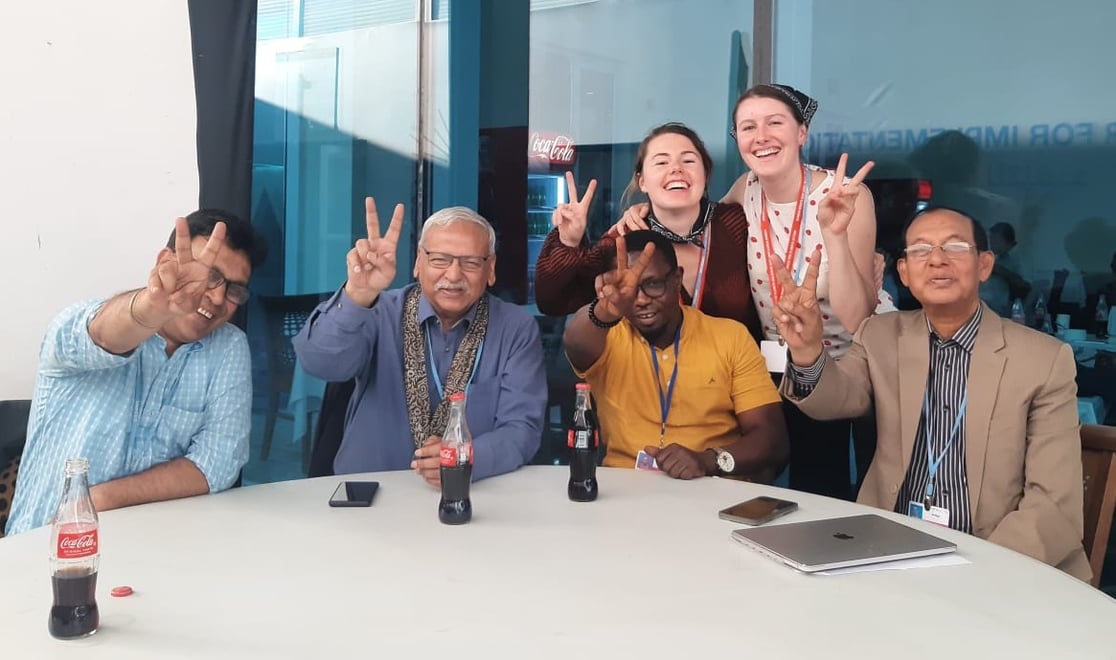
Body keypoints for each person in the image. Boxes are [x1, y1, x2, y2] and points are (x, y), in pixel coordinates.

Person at [773, 206, 1089, 581]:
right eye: (921, 250)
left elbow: (1053, 505)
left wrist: (972, 572)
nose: (937, 260)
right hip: (888, 551)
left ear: (985, 265)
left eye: (954, 247)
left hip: (1000, 563)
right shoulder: (880, 335)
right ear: (904, 273)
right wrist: (808, 349)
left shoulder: (1043, 359)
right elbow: (835, 400)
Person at [6, 210, 267, 535]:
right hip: (43, 548)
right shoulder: (79, 326)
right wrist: (152, 308)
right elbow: (102, 335)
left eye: (234, 290)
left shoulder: (227, 347)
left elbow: (218, 463)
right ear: (165, 263)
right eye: (210, 276)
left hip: (150, 555)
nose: (216, 297)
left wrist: (100, 499)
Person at [293, 200, 546, 486]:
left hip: (469, 490)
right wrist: (358, 293)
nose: (453, 275)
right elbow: (320, 362)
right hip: (371, 492)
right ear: (417, 262)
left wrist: (466, 457)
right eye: (439, 259)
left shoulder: (515, 329)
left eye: (471, 262)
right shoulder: (377, 311)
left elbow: (522, 429)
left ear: (491, 269)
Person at [562, 230, 788, 480]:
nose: (641, 300)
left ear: (677, 279)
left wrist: (708, 460)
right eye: (628, 289)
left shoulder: (730, 337)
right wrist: (605, 311)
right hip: (626, 494)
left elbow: (771, 438)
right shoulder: (605, 337)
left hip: (712, 492)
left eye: (653, 284)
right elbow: (576, 344)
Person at [534, 122, 762, 342]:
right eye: (661, 162)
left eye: (689, 160)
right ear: (642, 181)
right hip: (650, 379)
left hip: (737, 375)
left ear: (706, 175)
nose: (676, 169)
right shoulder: (625, 239)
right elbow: (552, 302)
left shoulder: (735, 223)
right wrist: (569, 241)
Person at [979, 221, 1030, 316]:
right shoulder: (986, 257)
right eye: (991, 238)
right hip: (980, 309)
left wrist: (1000, 270)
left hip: (1002, 312)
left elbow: (1024, 285)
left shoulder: (1016, 259)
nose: (991, 242)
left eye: (995, 239)